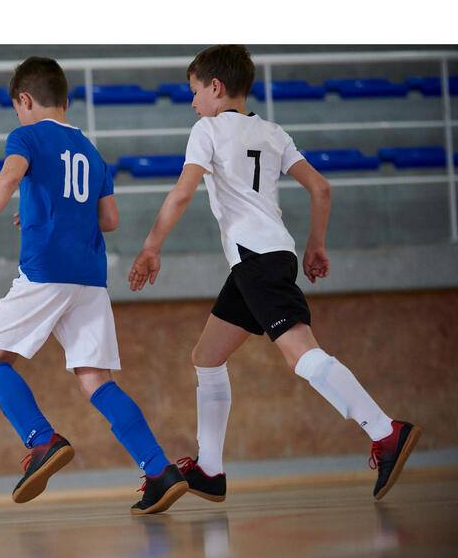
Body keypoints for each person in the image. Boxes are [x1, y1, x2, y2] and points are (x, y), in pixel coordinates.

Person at [128, 44, 421, 502]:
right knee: (207, 357)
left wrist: (150, 246)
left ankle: (385, 431)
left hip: (257, 259)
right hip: (266, 256)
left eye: (195, 91)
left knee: (301, 356)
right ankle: (210, 469)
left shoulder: (206, 130)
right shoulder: (272, 131)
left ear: (216, 88)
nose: (192, 102)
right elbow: (320, 188)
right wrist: (315, 245)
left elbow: (182, 194)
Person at [0, 56, 187, 514]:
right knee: (96, 380)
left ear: (23, 101)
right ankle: (159, 469)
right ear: (66, 101)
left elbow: (10, 175)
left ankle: (42, 440)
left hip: (46, 271)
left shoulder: (25, 136)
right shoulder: (90, 150)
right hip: (90, 277)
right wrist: (46, 212)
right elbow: (109, 219)